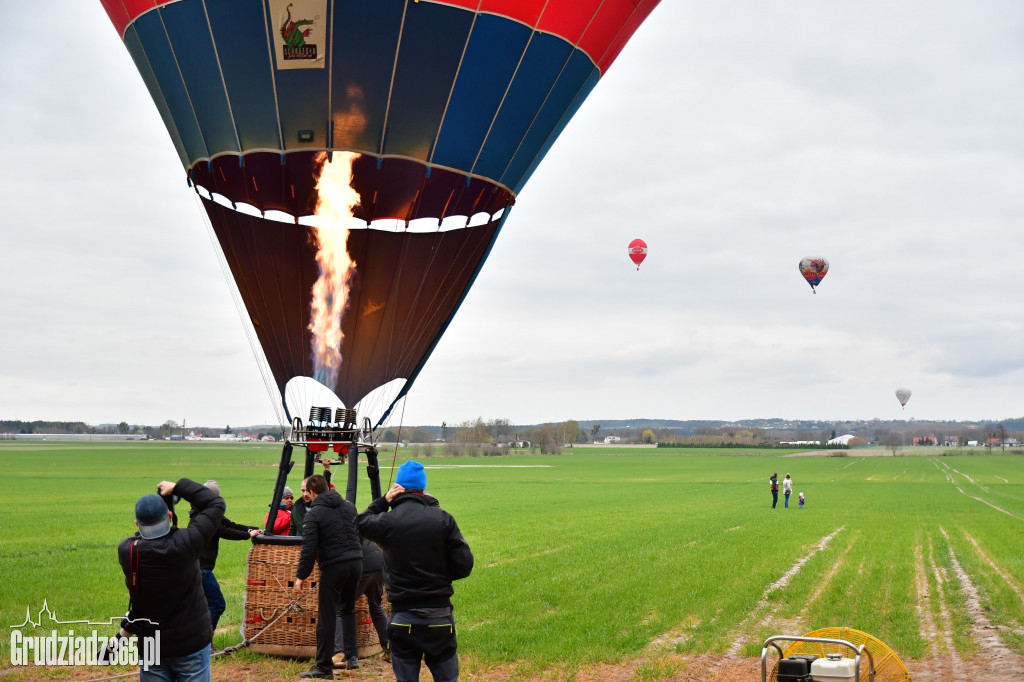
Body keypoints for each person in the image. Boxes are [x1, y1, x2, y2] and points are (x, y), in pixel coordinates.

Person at [357, 461, 474, 682]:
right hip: (439, 617)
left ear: (398, 488)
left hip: (403, 617)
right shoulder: (443, 519)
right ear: (422, 489)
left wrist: (383, 500)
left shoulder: (388, 522)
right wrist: (441, 575)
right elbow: (464, 565)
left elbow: (360, 523)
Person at [118, 478, 225, 681]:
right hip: (190, 643)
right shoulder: (187, 543)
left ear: (137, 523)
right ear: (169, 515)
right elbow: (215, 504)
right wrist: (178, 487)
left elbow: (147, 540)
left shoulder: (127, 550)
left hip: (152, 646)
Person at [294, 474, 363, 679]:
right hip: (357, 562)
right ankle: (352, 656)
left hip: (334, 566)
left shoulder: (314, 514)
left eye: (308, 492)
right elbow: (359, 534)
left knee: (327, 615)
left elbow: (309, 548)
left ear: (313, 492)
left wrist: (301, 576)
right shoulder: (349, 506)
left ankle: (324, 667)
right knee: (348, 609)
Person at [191, 480, 260, 635]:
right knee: (217, 604)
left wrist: (254, 529)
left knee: (203, 605)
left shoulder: (206, 512)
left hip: (198, 567)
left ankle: (199, 640)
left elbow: (231, 524)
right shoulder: (204, 517)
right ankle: (205, 641)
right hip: (201, 569)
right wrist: (248, 535)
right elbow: (224, 531)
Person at [333, 538, 390, 667]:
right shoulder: (352, 522)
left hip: (362, 564)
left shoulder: (335, 529)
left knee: (340, 608)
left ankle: (339, 653)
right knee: (376, 606)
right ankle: (390, 649)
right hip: (378, 562)